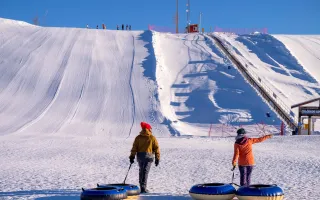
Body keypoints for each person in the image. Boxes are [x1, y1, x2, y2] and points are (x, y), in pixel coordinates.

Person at [129, 122, 160, 193]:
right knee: (145, 172)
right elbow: (156, 148)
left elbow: (134, 148)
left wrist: (132, 156)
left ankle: (142, 187)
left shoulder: (138, 138)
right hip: (149, 158)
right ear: (149, 129)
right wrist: (157, 158)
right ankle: (143, 188)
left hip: (140, 157)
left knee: (141, 171)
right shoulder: (152, 138)